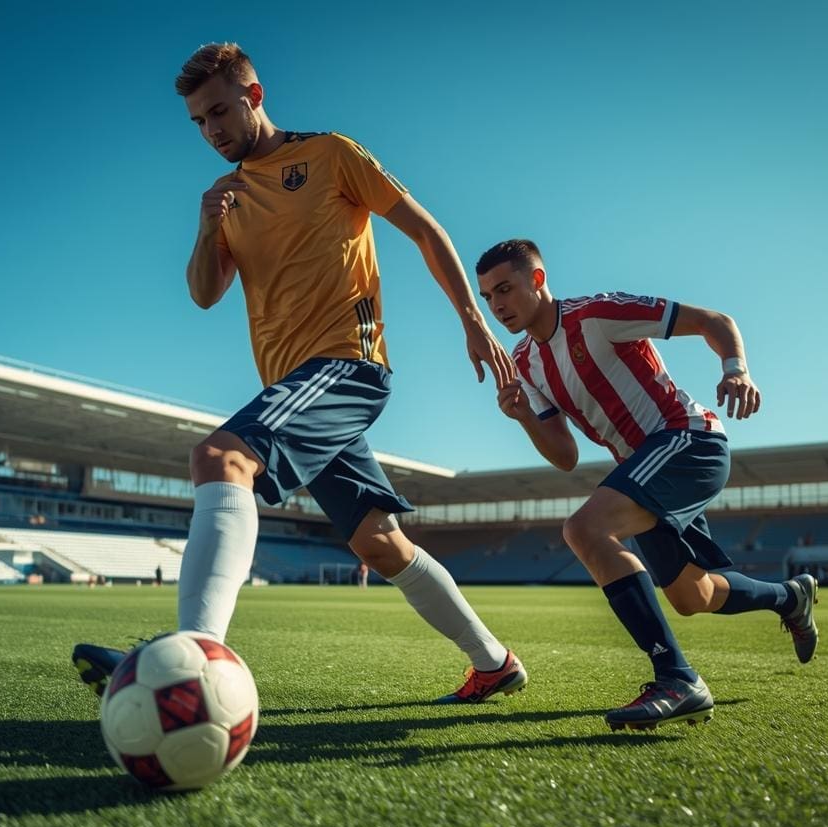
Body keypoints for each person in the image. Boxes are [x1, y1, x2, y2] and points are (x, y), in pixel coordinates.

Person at [73, 43, 527, 704]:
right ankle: (494, 662)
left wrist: (473, 321)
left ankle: (189, 665)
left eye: (221, 111)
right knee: (379, 543)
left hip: (347, 365)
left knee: (221, 457)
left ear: (254, 96)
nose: (212, 131)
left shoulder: (329, 155)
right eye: (199, 122)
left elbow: (426, 230)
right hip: (293, 388)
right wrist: (207, 226)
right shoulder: (227, 198)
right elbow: (204, 293)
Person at [475, 238, 818, 730]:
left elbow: (714, 322)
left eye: (505, 289)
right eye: (487, 297)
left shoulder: (597, 314)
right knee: (691, 596)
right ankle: (790, 597)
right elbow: (566, 456)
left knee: (585, 530)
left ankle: (677, 679)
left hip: (689, 440)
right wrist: (525, 417)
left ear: (538, 280)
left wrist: (736, 371)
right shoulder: (525, 362)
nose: (497, 305)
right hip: (646, 467)